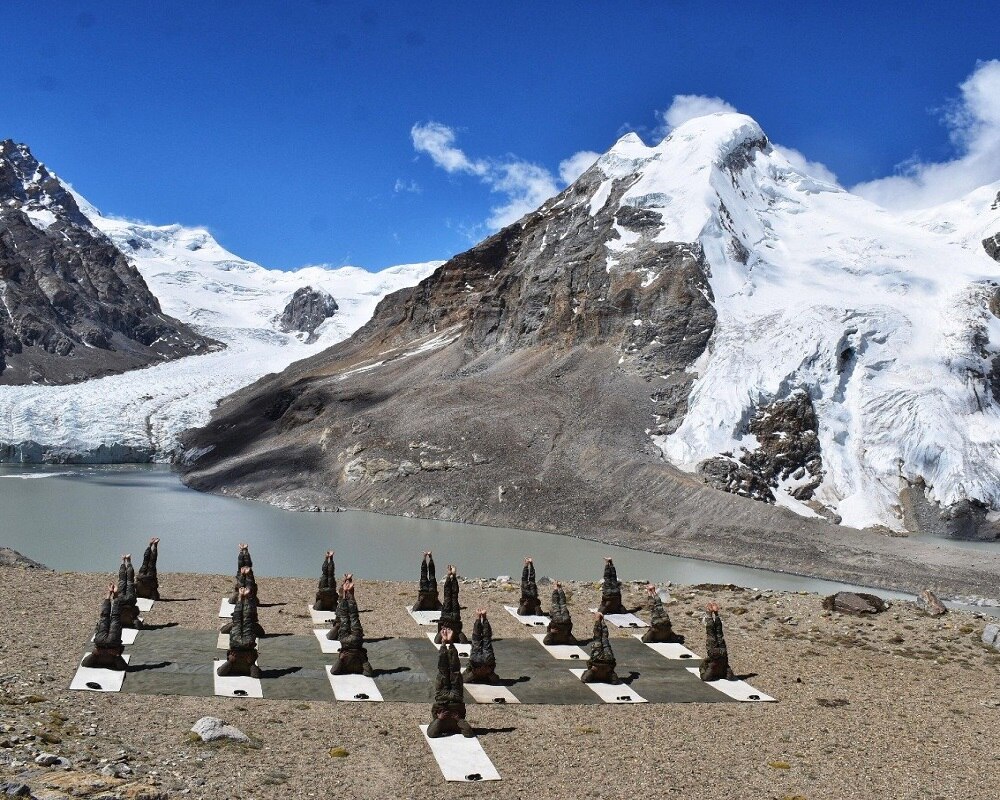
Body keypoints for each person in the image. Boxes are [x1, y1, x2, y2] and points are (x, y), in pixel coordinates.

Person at [427, 627, 474, 738]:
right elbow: (469, 733)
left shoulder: (440, 724)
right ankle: (451, 644)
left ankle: (444, 644)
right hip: (456, 698)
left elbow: (431, 734)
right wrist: (458, 719)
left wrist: (439, 719)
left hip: (442, 698)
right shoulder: (457, 726)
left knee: (443, 671)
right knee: (455, 672)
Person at [329, 576, 373, 677]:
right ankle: (346, 593)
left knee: (352, 616)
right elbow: (333, 671)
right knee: (345, 616)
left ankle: (349, 593)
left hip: (354, 642)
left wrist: (362, 659)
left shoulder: (358, 664)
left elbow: (369, 672)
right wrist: (341, 659)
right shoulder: (345, 664)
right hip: (346, 642)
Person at [82, 584, 128, 671]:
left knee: (114, 617)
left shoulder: (97, 658)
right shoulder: (109, 659)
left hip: (107, 643)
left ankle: (112, 595)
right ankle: (110, 595)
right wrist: (116, 655)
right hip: (108, 643)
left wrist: (95, 654)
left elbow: (84, 663)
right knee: (106, 617)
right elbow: (123, 667)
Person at [217, 586, 260, 678]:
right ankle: (244, 598)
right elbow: (256, 675)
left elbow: (220, 673)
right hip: (246, 648)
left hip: (238, 648)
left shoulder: (232, 665)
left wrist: (230, 661)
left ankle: (243, 598)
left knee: (244, 619)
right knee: (246, 619)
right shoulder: (247, 666)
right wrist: (251, 663)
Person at [699, 602, 735, 681]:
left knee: (719, 633)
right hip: (715, 653)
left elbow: (730, 676)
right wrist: (704, 665)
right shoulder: (713, 668)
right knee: (711, 633)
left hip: (722, 653)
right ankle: (710, 614)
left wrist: (704, 666)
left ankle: (716, 613)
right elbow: (705, 677)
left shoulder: (721, 669)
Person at [581, 612, 620, 684]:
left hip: (606, 661)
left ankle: (602, 621)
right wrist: (592, 670)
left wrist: (609, 671)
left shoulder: (604, 675)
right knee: (598, 638)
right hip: (599, 660)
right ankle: (599, 620)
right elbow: (584, 679)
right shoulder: (594, 673)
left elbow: (615, 681)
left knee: (604, 640)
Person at [435, 564, 468, 644]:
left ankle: (450, 576)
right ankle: (453, 576)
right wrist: (455, 632)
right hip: (454, 617)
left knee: (448, 596)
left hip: (446, 616)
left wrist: (444, 635)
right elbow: (464, 641)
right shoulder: (457, 635)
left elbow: (436, 641)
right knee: (454, 596)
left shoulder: (443, 634)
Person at [463, 609, 499, 684]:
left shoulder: (475, 674)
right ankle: (480, 618)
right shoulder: (487, 674)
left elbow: (463, 679)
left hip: (479, 663)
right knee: (479, 640)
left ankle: (481, 618)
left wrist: (475, 673)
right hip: (483, 662)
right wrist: (488, 672)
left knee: (485, 640)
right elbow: (496, 679)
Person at [117, 554, 141, 629]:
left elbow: (137, 611)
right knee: (122, 580)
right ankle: (123, 561)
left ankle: (127, 561)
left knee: (129, 580)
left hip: (129, 601)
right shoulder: (118, 620)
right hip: (122, 601)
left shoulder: (131, 620)